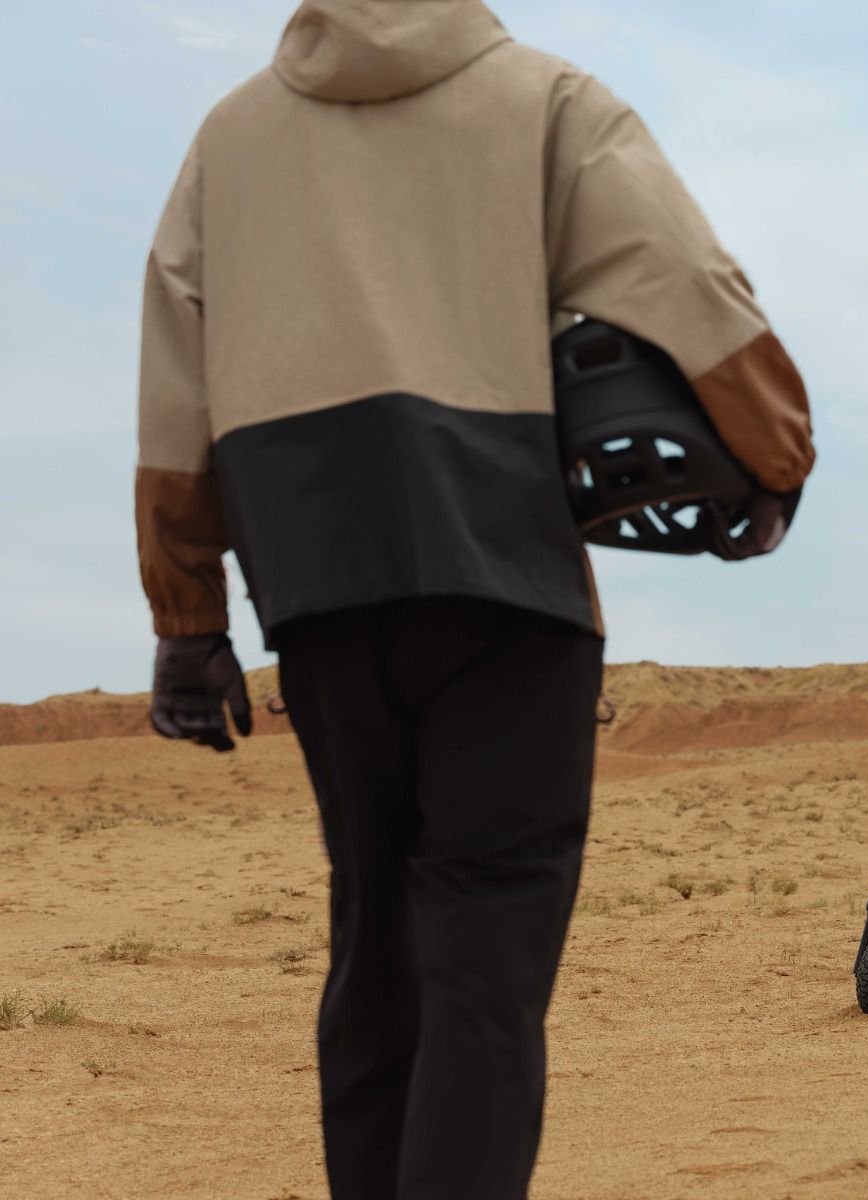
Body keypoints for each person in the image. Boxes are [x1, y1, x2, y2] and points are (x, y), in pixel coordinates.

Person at [135, 2, 815, 1196]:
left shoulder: (227, 140)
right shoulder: (549, 103)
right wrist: (777, 452)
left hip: (319, 584)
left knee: (376, 943)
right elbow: (686, 282)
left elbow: (176, 381)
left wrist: (187, 616)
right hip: (507, 575)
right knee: (483, 968)